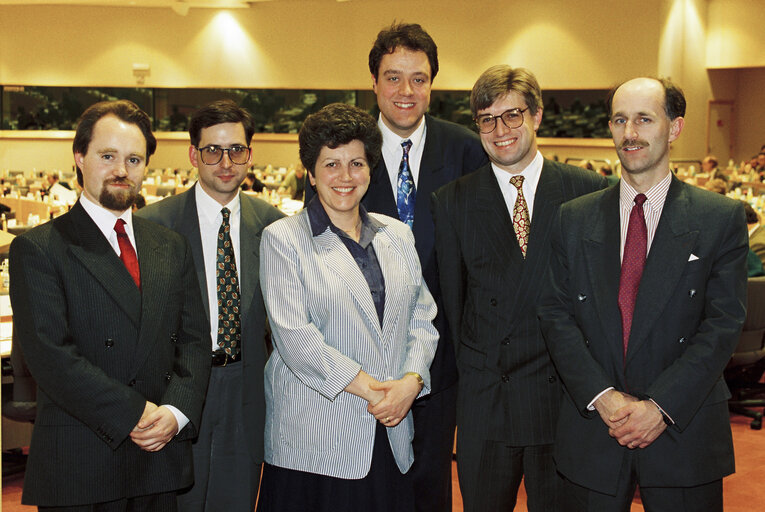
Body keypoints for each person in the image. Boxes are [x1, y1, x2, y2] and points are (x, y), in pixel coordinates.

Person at [538, 77, 748, 511]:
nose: (629, 133)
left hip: (682, 430)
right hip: (595, 426)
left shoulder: (718, 219)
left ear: (674, 128)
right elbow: (556, 314)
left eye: (644, 119)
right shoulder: (572, 220)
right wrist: (605, 397)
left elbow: (722, 324)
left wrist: (660, 406)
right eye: (619, 120)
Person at [9, 99, 211, 510]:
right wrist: (135, 414)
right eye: (108, 156)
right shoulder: (39, 248)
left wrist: (175, 413)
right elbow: (50, 357)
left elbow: (194, 341)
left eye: (134, 159)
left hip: (159, 454)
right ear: (80, 158)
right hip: (83, 460)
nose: (122, 170)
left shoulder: (170, 246)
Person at [431, 65, 606, 511]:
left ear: (538, 116)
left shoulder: (588, 192)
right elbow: (454, 306)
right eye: (487, 119)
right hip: (488, 402)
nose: (500, 130)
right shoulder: (452, 200)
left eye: (512, 115)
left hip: (564, 402)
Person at [256, 103, 438, 512]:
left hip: (389, 433)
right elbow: (295, 339)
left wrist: (411, 383)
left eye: (356, 163)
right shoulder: (283, 239)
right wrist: (377, 392)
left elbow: (423, 318)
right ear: (311, 171)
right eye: (331, 164)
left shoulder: (396, 235)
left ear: (370, 169)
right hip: (316, 439)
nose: (345, 176)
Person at [361, 23, 488, 511]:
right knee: (366, 486)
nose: (406, 91)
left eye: (419, 78)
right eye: (393, 78)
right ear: (374, 82)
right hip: (363, 359)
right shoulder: (346, 152)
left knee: (430, 484)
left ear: (433, 83)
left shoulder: (467, 150)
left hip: (445, 356)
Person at [138, 99, 284, 512]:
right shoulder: (154, 225)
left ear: (249, 155)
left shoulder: (273, 225)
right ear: (193, 155)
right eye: (212, 150)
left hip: (247, 387)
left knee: (236, 501)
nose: (225, 162)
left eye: (236, 150)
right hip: (179, 388)